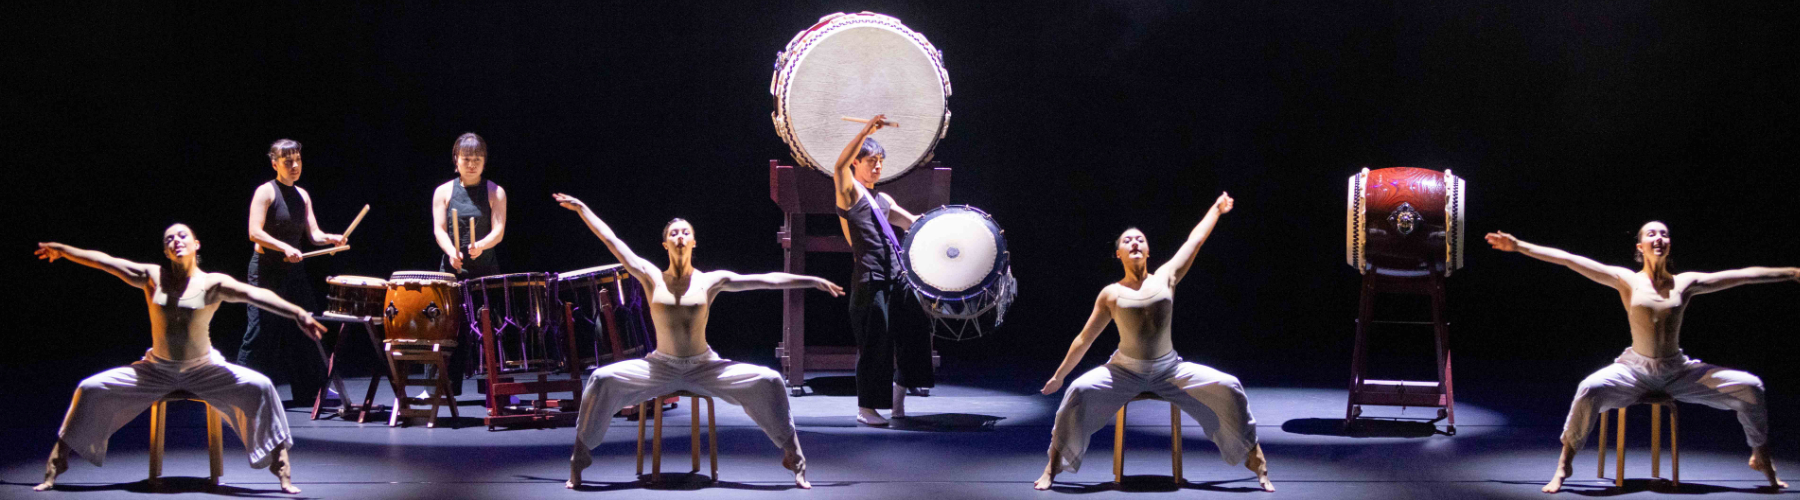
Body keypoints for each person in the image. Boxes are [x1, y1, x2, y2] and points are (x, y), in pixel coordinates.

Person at [555, 193, 839, 489]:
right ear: (665, 244)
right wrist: (583, 209)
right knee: (600, 378)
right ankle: (579, 459)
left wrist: (811, 280)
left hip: (705, 367)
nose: (680, 236)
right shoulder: (650, 276)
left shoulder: (710, 281)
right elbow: (612, 241)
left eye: (685, 232)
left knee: (770, 380)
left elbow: (765, 279)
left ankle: (794, 458)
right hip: (660, 367)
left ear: (693, 242)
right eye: (673, 233)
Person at [1486, 222, 1789, 493]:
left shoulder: (1685, 282)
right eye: (1651, 234)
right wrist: (1519, 246)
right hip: (1635, 370)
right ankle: (1564, 463)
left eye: (1664, 233)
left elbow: (1743, 276)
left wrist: (1793, 273)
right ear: (1640, 247)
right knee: (1589, 389)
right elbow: (1569, 260)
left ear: (1669, 244)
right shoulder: (1626, 280)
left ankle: (1760, 455)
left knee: (1750, 387)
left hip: (1677, 370)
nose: (1659, 238)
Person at [34, 224, 327, 493]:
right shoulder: (151, 276)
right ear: (164, 251)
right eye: (169, 239)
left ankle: (282, 470)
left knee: (261, 386)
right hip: (155, 369)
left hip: (204, 369)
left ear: (196, 244)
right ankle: (56, 464)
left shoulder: (213, 283)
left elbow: (257, 294)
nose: (176, 240)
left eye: (182, 235)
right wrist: (62, 250)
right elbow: (103, 260)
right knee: (89, 388)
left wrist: (298, 313)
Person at [1033, 193, 1273, 492]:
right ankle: (1052, 467)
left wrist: (1216, 209)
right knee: (1077, 391)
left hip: (1169, 369)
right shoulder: (1110, 293)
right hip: (1123, 371)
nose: (1134, 242)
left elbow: (1194, 241)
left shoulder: (1166, 277)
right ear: (1118, 254)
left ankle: (1256, 460)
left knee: (1230, 386)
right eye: (1127, 241)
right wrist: (1059, 375)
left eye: (1140, 240)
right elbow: (1084, 338)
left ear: (1147, 251)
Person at [832, 114, 933, 426]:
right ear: (857, 164)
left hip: (897, 279)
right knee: (875, 343)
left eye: (880, 161)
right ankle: (867, 409)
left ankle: (899, 395)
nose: (876, 166)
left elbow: (913, 222)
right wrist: (865, 131)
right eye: (870, 160)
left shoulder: (883, 199)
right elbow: (838, 168)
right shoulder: (850, 194)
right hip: (870, 279)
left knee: (917, 330)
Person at [237, 139, 343, 407]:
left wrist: (330, 239)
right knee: (260, 331)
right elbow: (254, 232)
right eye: (288, 162)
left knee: (306, 327)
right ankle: (241, 389)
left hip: (294, 272)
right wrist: (283, 246)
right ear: (275, 164)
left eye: (298, 160)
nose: (295, 166)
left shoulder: (302, 195)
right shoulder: (266, 192)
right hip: (265, 271)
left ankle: (310, 390)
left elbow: (314, 234)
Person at [430, 132, 508, 394]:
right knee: (448, 329)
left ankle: (495, 389)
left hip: (485, 271)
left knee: (490, 329)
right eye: (466, 158)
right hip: (452, 271)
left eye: (477, 159)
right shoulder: (443, 191)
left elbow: (499, 231)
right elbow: (439, 229)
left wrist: (482, 245)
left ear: (485, 161)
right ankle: (442, 388)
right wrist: (451, 250)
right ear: (456, 160)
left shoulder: (495, 191)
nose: (472, 164)